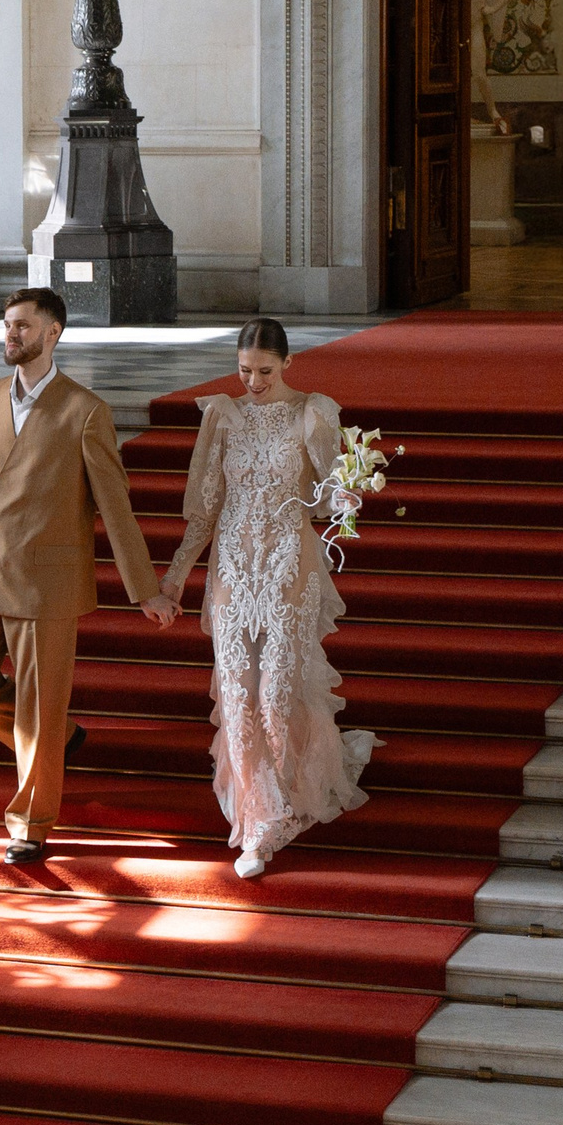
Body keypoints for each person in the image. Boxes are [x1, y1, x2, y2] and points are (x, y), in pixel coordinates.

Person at [0, 288, 176, 864]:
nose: (11, 335)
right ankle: (62, 741)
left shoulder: (85, 410)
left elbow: (114, 506)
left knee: (38, 708)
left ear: (53, 334)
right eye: (6, 325)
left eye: (22, 326)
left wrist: (144, 588)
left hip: (47, 580)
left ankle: (31, 824)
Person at [156, 316, 378, 878]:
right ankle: (260, 822)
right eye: (243, 369)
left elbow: (328, 499)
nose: (252, 380)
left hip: (288, 567)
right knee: (239, 696)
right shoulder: (223, 416)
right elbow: (206, 507)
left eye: (264, 370)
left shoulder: (314, 411)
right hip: (232, 565)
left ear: (288, 364)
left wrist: (352, 491)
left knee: (276, 695)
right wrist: (176, 576)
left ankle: (288, 797)